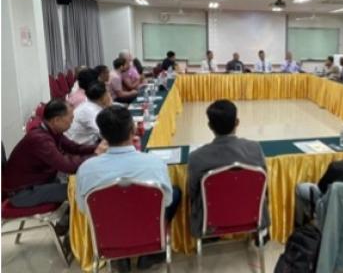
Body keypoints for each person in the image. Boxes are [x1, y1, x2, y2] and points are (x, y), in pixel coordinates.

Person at [76, 105, 180, 272]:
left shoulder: (86, 169)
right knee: (174, 193)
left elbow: (83, 208)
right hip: (148, 230)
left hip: (109, 235)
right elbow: (166, 202)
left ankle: (120, 256)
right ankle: (149, 252)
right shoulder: (155, 163)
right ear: (133, 130)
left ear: (102, 135)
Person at [188, 100, 269, 237]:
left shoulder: (197, 157)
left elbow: (192, 193)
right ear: (237, 122)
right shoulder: (255, 149)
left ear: (209, 126)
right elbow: (265, 188)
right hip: (251, 215)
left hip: (209, 221)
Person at [4, 99, 105, 209]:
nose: (72, 122)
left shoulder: (50, 131)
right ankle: (75, 223)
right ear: (57, 120)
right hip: (24, 193)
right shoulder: (40, 139)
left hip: (40, 181)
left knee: (80, 183)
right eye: (70, 119)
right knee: (83, 191)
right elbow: (66, 166)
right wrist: (95, 156)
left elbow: (74, 147)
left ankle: (71, 218)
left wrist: (97, 148)